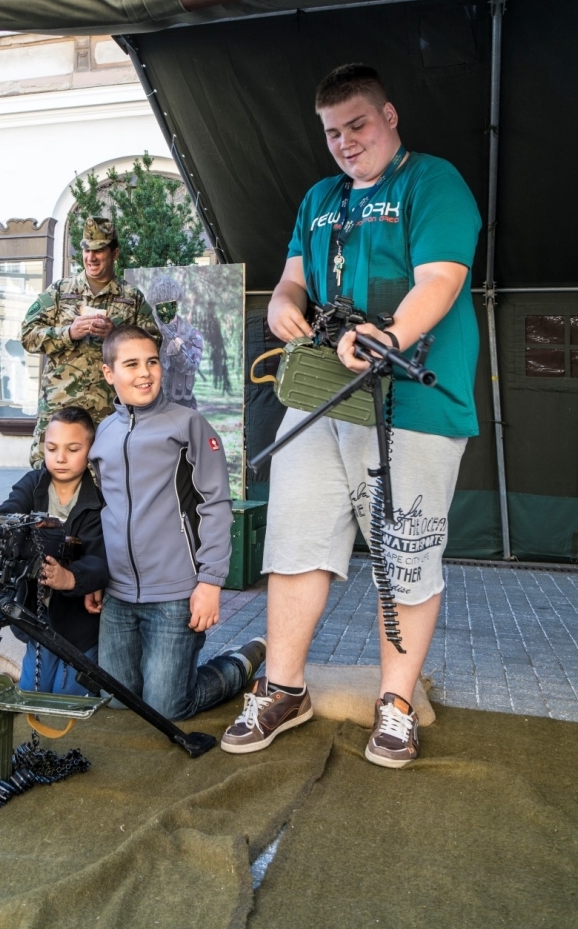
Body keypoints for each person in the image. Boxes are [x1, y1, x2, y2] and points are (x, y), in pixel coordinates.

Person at [221, 63, 481, 765]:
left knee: (406, 551)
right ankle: (283, 686)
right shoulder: (319, 197)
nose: (344, 141)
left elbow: (441, 281)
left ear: (390, 116)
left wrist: (389, 338)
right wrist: (281, 305)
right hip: (323, 398)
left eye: (357, 124)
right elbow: (293, 277)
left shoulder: (433, 182)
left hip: (414, 402)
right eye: (333, 131)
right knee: (295, 537)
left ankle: (395, 704)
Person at [86, 324, 265, 719]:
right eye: (131, 364)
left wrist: (210, 582)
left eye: (152, 362)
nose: (145, 373)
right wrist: (94, 575)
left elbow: (215, 504)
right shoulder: (103, 432)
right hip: (117, 596)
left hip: (176, 595)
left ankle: (240, 662)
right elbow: (102, 511)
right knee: (117, 699)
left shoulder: (188, 425)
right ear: (108, 372)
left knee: (165, 708)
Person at [21, 216, 158, 468]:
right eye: (86, 249)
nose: (91, 257)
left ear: (114, 253)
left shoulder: (131, 298)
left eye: (99, 250)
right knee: (50, 475)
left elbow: (153, 344)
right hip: (60, 407)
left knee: (107, 478)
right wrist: (68, 333)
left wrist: (116, 334)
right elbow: (28, 335)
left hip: (109, 412)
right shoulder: (60, 292)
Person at [0, 406, 109, 693]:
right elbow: (4, 514)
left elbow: (102, 561)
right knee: (33, 692)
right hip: (38, 623)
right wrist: (18, 525)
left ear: (91, 451)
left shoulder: (99, 499)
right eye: (52, 448)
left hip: (81, 627)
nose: (61, 458)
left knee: (66, 695)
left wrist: (69, 578)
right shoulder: (33, 484)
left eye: (73, 448)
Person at [146, 274, 204, 409]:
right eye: (161, 305)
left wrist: (178, 354)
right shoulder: (146, 331)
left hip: (181, 404)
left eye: (170, 304)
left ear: (177, 304)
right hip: (152, 403)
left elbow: (192, 367)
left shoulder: (191, 333)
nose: (166, 309)